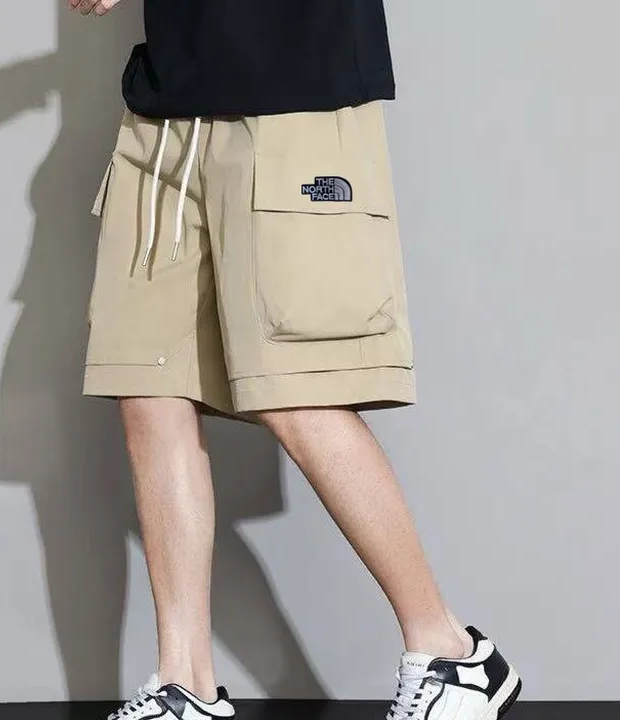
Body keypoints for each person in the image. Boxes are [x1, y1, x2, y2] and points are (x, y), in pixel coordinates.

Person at [70, 1, 522, 719]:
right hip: (167, 110)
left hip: (290, 99)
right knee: (147, 387)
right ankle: (185, 684)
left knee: (294, 390)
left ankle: (453, 654)